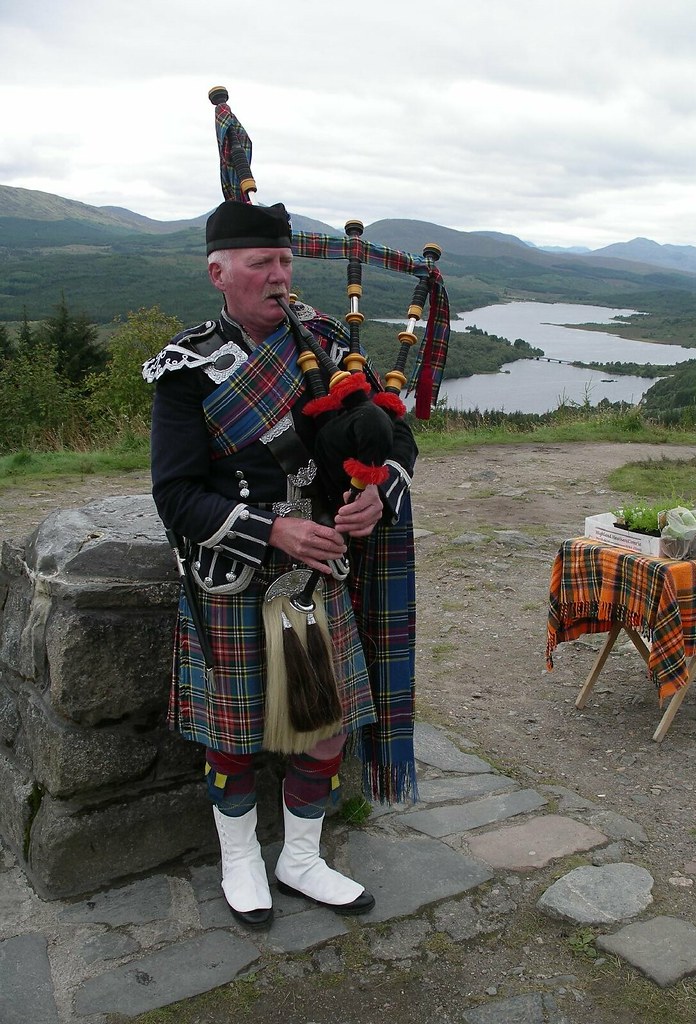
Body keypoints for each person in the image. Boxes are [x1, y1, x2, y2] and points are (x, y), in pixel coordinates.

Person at [143, 200, 418, 929]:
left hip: (319, 577)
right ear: (218, 273)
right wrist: (274, 531)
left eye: (285, 262)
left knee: (326, 726)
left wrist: (377, 492)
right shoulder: (189, 367)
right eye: (261, 263)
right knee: (232, 734)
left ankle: (300, 858)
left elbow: (394, 436)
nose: (278, 276)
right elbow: (175, 495)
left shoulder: (326, 345)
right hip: (234, 577)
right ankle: (239, 861)